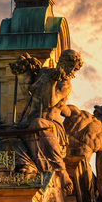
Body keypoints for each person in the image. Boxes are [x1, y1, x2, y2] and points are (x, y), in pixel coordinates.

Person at [16, 49, 83, 193]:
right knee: (10, 133)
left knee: (40, 125)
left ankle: (61, 170)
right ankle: (28, 165)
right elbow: (30, 89)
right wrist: (26, 71)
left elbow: (48, 102)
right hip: (32, 119)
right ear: (61, 61)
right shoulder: (45, 72)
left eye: (73, 68)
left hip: (53, 127)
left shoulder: (65, 85)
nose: (70, 70)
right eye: (69, 65)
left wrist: (52, 82)